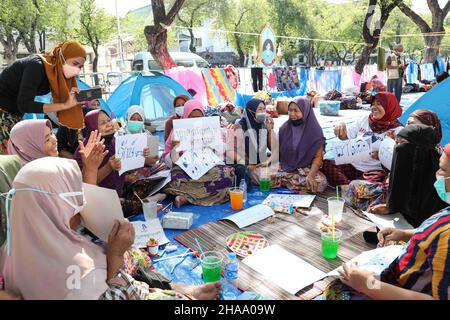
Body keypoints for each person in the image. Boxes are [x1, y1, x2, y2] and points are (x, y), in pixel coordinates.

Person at [0, 157, 221, 299]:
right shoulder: (79, 273)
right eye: (75, 194)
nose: (82, 202)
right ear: (56, 204)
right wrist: (115, 255)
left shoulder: (7, 250)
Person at [326, 143, 450, 300]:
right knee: (386, 244)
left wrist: (368, 284)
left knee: (336, 291)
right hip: (402, 270)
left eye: (443, 170)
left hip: (403, 288)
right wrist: (404, 234)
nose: (437, 174)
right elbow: (433, 234)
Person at [0, 41, 88, 153]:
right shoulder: (37, 65)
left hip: (14, 114)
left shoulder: (55, 73)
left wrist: (73, 101)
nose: (77, 69)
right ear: (62, 57)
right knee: (16, 158)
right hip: (3, 114)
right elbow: (25, 104)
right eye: (74, 63)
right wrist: (64, 105)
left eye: (80, 66)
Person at [73, 110, 156, 216]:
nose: (109, 125)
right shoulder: (84, 150)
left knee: (146, 184)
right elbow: (86, 185)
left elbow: (127, 164)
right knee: (121, 206)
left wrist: (141, 155)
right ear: (92, 128)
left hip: (118, 189)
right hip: (98, 198)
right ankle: (143, 204)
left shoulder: (114, 141)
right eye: (103, 123)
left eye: (109, 120)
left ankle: (139, 202)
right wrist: (108, 167)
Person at [366, 125, 448, 227]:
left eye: (403, 143)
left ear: (420, 146)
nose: (398, 148)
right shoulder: (408, 165)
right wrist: (391, 208)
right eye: (396, 143)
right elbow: (404, 197)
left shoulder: (440, 177)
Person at [162, 100, 235, 208]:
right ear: (186, 117)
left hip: (209, 169)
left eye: (199, 117)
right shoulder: (176, 132)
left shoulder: (209, 129)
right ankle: (208, 195)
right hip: (184, 170)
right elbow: (166, 161)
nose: (196, 121)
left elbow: (222, 153)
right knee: (172, 180)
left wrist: (214, 145)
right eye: (192, 118)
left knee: (228, 174)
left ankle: (186, 198)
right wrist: (175, 150)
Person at [322, 92, 403, 187]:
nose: (374, 107)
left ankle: (352, 188)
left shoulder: (398, 131)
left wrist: (383, 156)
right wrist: (341, 128)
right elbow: (345, 136)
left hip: (373, 172)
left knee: (379, 183)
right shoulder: (365, 119)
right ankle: (350, 187)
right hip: (352, 165)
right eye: (372, 104)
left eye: (379, 104)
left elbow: (399, 163)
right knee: (327, 164)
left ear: (390, 107)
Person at [255, 97, 328, 192]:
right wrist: (269, 131)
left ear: (305, 111)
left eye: (296, 111)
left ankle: (285, 181)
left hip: (305, 169)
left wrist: (310, 175)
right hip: (284, 167)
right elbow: (275, 150)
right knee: (257, 173)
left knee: (320, 183)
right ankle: (289, 181)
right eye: (290, 110)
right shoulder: (285, 128)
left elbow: (318, 158)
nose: (292, 114)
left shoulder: (315, 131)